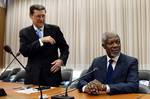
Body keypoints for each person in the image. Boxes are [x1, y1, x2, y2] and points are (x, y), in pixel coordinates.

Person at [19, 4, 69, 86]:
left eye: (43, 16)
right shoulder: (24, 32)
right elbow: (24, 51)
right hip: (32, 76)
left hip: (52, 75)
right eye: (38, 16)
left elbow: (65, 48)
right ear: (31, 16)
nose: (41, 19)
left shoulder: (55, 29)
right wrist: (41, 40)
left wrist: (61, 60)